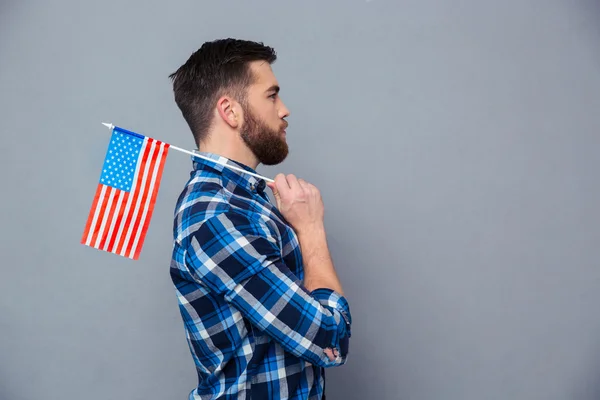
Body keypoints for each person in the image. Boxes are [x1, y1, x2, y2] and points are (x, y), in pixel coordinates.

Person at [168, 38, 352, 400]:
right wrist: (311, 228)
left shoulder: (245, 201)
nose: (284, 110)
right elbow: (330, 338)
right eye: (271, 95)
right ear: (231, 112)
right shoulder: (219, 217)